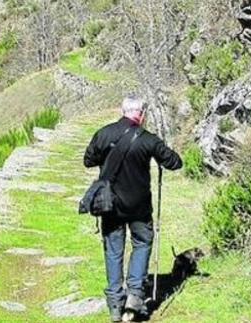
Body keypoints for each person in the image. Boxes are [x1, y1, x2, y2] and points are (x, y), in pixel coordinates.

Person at [83, 95, 182, 322]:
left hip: (110, 205)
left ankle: (115, 305)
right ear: (142, 113)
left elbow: (88, 160)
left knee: (113, 251)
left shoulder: (104, 133)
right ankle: (135, 297)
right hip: (139, 206)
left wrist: (105, 157)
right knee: (142, 243)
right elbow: (175, 162)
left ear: (122, 110)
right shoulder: (148, 139)